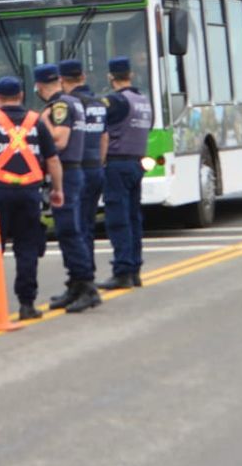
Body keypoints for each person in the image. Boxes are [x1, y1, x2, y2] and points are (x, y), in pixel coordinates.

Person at [0, 75, 64, 320]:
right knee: (27, 247)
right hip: (28, 193)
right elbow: (52, 159)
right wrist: (57, 190)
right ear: (21, 96)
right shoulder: (36, 123)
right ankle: (27, 304)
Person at [33, 63, 102, 314]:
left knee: (70, 230)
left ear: (39, 86)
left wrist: (42, 123)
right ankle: (75, 283)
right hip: (74, 170)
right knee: (68, 230)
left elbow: (60, 140)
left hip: (69, 171)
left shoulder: (60, 106)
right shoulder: (72, 103)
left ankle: (86, 286)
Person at [95, 56, 153, 290]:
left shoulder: (115, 101)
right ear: (131, 74)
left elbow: (101, 131)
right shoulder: (143, 100)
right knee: (133, 218)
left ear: (111, 77)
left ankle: (122, 271)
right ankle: (135, 270)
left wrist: (99, 162)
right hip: (136, 163)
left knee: (118, 219)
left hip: (116, 164)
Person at [58, 59, 107, 282]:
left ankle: (83, 275)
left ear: (61, 80)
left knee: (75, 226)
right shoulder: (98, 103)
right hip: (96, 166)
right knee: (88, 223)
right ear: (83, 77)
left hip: (77, 168)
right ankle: (89, 269)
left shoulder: (68, 104)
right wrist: (100, 161)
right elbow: (105, 137)